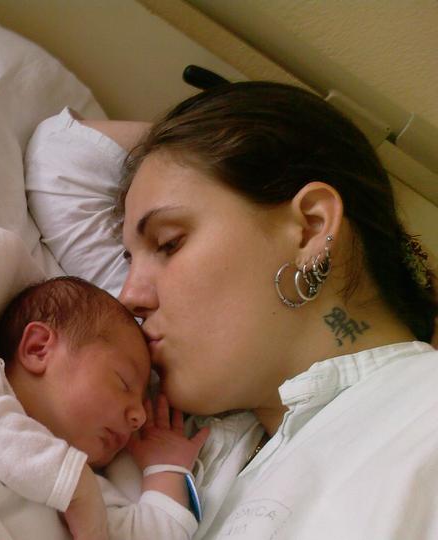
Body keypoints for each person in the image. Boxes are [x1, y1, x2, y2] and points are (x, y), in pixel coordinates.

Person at [95, 81, 438, 538]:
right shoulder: (200, 446)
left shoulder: (423, 420)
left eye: (168, 242)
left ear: (310, 228)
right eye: (129, 260)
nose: (128, 297)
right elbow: (56, 151)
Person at [0, 276, 210, 540]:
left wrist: (165, 468)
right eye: (123, 382)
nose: (140, 417)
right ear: (38, 349)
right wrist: (74, 484)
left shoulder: (95, 492)